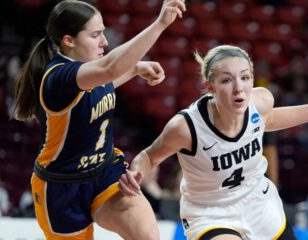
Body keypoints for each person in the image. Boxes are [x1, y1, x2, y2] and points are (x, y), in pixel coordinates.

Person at [119, 45, 308, 240]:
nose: (239, 88)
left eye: (245, 77)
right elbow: (148, 156)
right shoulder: (186, 127)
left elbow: (269, 119)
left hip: (258, 201)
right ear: (210, 86)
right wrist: (137, 172)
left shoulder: (261, 101)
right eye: (227, 80)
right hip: (210, 211)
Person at [13, 0, 186, 239]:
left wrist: (135, 68)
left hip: (105, 173)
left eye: (103, 32)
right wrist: (160, 24)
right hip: (62, 189)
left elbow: (107, 80)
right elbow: (110, 69)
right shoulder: (59, 77)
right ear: (68, 41)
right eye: (95, 35)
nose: (104, 41)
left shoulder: (89, 72)